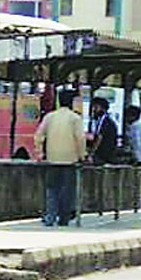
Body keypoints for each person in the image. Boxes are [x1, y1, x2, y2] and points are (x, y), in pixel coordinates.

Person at [34, 89, 86, 227]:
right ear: (71, 102)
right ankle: (64, 218)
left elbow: (38, 135)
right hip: (70, 159)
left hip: (52, 158)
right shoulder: (75, 118)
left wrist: (39, 153)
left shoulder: (50, 117)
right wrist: (82, 155)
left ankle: (50, 217)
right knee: (68, 190)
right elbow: (80, 139)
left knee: (51, 189)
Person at [87, 97, 118, 165]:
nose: (94, 110)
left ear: (103, 108)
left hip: (104, 156)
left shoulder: (107, 122)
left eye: (96, 107)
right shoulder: (100, 121)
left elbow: (99, 138)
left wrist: (92, 154)